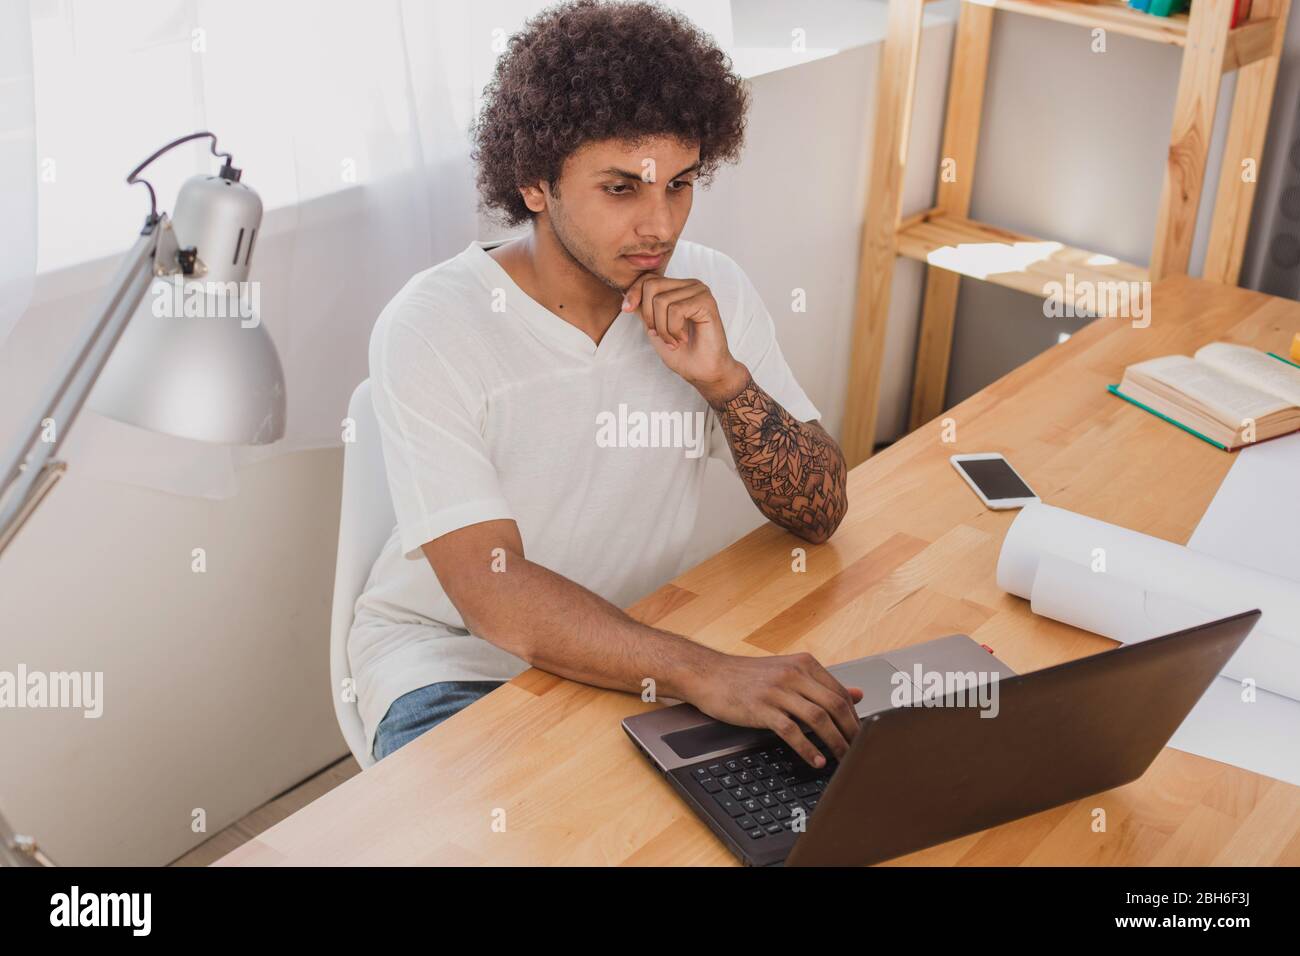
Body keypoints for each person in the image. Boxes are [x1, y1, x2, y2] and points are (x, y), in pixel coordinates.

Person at [350, 0, 854, 767]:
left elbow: (820, 512)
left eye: (680, 185)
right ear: (534, 183)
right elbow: (496, 592)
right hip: (453, 663)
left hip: (633, 643)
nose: (661, 226)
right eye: (622, 189)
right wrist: (701, 671)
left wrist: (726, 383)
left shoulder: (709, 291)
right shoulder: (432, 325)